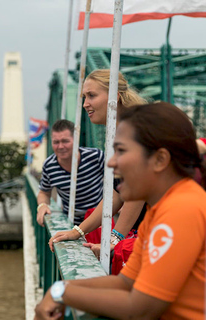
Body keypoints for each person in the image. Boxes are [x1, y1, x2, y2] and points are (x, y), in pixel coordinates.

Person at [35, 102, 206, 320]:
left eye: (121, 150)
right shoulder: (161, 211)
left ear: (160, 159)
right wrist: (62, 290)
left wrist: (61, 293)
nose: (112, 163)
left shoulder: (182, 209)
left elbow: (139, 308)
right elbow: (126, 284)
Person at [49, 69, 147, 259]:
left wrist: (114, 238)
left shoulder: (135, 132)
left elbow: (138, 190)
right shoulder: (122, 131)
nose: (85, 104)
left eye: (92, 96)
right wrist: (77, 231)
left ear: (115, 97)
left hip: (164, 232)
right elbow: (117, 194)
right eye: (84, 97)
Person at [36, 119, 105, 226]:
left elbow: (120, 178)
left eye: (65, 141)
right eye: (56, 142)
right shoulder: (49, 165)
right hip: (71, 222)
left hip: (100, 220)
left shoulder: (96, 156)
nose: (60, 146)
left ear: (76, 140)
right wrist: (42, 205)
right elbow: (44, 192)